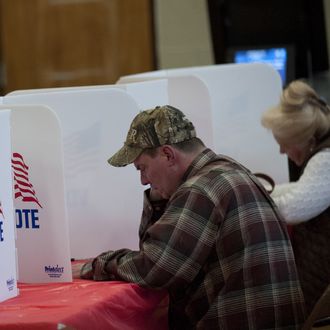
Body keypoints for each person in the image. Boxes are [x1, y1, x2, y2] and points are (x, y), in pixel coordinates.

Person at [74, 105, 305, 329]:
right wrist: (158, 198)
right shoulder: (228, 171)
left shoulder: (201, 188)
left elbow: (155, 269)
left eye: (142, 168)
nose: (143, 180)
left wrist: (97, 264)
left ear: (167, 155)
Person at [261, 80, 330, 315]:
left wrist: (251, 202)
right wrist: (263, 191)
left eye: (285, 145)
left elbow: (294, 207)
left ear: (303, 139)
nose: (282, 152)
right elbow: (302, 188)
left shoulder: (326, 159)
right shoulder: (323, 153)